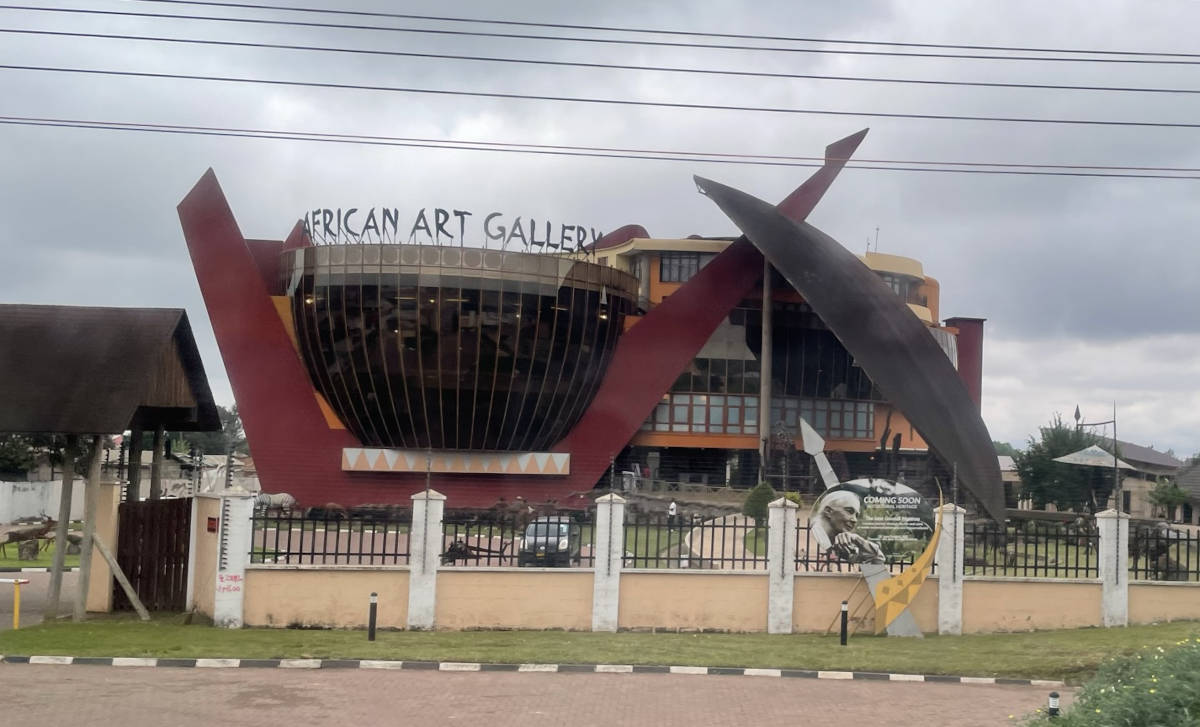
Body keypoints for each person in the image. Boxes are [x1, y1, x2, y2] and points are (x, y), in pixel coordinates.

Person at [810, 489, 885, 564]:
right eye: (849, 511)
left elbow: (877, 560)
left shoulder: (843, 545)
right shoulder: (810, 540)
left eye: (856, 515)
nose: (855, 520)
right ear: (828, 511)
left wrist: (858, 540)